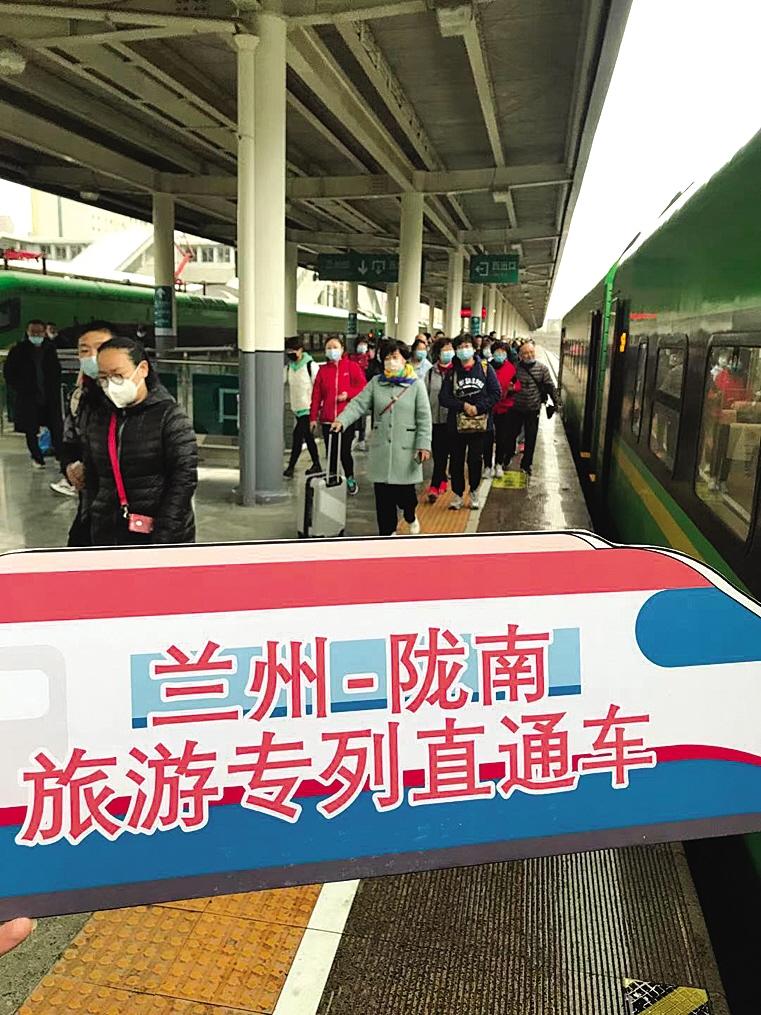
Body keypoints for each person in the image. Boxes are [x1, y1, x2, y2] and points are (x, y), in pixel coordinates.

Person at [80, 336, 198, 545]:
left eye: (118, 375)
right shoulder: (99, 417)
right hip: (107, 533)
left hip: (157, 533)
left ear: (142, 369)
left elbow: (183, 480)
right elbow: (92, 478)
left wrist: (164, 537)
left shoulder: (170, 416)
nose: (110, 385)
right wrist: (86, 523)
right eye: (104, 378)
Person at [331, 340, 431, 536]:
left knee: (406, 497)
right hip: (381, 451)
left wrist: (424, 445)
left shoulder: (416, 385)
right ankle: (387, 534)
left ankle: (410, 515)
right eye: (387, 357)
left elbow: (424, 418)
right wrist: (342, 420)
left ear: (404, 359)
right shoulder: (376, 383)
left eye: (394, 357)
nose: (390, 361)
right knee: (384, 497)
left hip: (406, 451)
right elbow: (358, 404)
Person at [53, 323, 115, 545]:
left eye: (99, 347)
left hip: (130, 513)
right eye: (84, 350)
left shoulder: (139, 398)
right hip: (90, 506)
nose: (91, 356)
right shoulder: (80, 398)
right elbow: (69, 442)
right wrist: (70, 466)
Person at [439, 334, 500, 510]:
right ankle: (458, 494)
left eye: (467, 346)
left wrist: (478, 408)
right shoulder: (452, 372)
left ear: (474, 348)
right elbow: (443, 398)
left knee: (474, 460)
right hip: (456, 425)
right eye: (460, 347)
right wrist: (463, 405)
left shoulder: (485, 368)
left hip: (479, 425)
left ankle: (474, 491)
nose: (463, 350)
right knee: (456, 461)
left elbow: (496, 393)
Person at [3, 319, 63, 469]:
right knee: (31, 429)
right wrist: (20, 387)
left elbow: (56, 370)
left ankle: (61, 455)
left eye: (39, 332)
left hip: (49, 396)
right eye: (33, 332)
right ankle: (37, 457)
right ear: (27, 332)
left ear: (44, 332)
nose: (36, 335)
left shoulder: (49, 349)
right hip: (28, 397)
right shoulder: (18, 350)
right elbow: (9, 372)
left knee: (56, 427)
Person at [310, 336, 365, 495]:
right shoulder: (323, 371)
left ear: (342, 349)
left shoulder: (351, 367)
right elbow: (316, 396)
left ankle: (350, 477)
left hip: (346, 419)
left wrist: (348, 394)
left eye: (335, 347)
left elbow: (363, 388)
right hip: (327, 420)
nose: (332, 350)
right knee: (331, 452)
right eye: (329, 348)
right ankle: (333, 478)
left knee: (344, 451)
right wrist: (313, 417)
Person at [501, 341, 560, 477]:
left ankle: (526, 464)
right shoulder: (514, 368)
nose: (529, 355)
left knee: (531, 437)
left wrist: (557, 402)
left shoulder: (542, 369)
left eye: (531, 352)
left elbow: (550, 386)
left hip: (533, 409)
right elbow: (507, 385)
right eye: (526, 353)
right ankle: (507, 456)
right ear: (520, 356)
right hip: (515, 408)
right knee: (510, 435)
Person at [283, 335, 322, 479]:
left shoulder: (311, 366)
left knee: (297, 436)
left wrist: (317, 409)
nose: (290, 353)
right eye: (288, 351)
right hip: (297, 409)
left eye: (293, 350)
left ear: (300, 350)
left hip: (309, 409)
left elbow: (319, 387)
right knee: (308, 437)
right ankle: (316, 464)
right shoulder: (289, 368)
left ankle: (291, 467)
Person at [425, 338, 455, 502]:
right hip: (435, 420)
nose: (448, 352)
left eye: (450, 349)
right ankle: (438, 481)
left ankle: (438, 482)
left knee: (447, 452)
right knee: (438, 454)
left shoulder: (456, 371)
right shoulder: (430, 373)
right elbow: (424, 396)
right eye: (445, 349)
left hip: (453, 419)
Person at [490, 340, 521, 477]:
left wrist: (512, 388)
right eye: (497, 352)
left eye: (503, 352)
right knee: (488, 437)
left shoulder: (511, 368)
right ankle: (487, 464)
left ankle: (499, 463)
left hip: (505, 408)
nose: (500, 354)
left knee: (502, 437)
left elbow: (517, 385)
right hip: (489, 407)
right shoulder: (487, 367)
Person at [349, 337, 371, 451]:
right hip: (353, 390)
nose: (362, 346)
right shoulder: (351, 359)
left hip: (365, 390)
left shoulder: (369, 358)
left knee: (362, 416)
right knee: (353, 414)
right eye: (360, 344)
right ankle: (353, 436)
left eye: (364, 344)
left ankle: (361, 438)